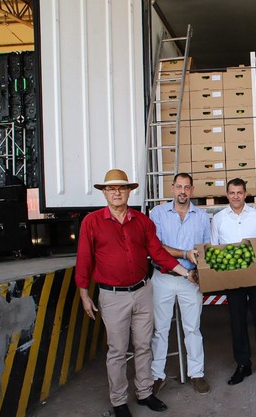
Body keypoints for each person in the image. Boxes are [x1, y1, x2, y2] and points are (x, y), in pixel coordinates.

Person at [75, 169, 195, 417]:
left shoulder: (142, 221)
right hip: (113, 296)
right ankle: (119, 401)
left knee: (143, 345)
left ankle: (144, 393)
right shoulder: (92, 222)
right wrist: (84, 294)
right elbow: (84, 259)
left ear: (130, 191)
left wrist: (186, 273)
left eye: (121, 188)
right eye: (111, 188)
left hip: (142, 291)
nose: (116, 192)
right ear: (104, 193)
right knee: (117, 351)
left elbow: (158, 253)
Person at [210, 178, 256, 385]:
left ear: (245, 194)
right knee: (237, 321)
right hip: (232, 277)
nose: (236, 196)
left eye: (239, 192)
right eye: (232, 193)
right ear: (227, 194)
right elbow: (213, 247)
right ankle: (243, 365)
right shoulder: (219, 219)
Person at [149, 173, 211, 396]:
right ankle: (157, 376)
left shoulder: (202, 217)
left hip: (191, 279)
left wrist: (201, 271)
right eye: (179, 187)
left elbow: (206, 248)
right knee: (160, 330)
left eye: (187, 187)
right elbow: (156, 247)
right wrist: (185, 253)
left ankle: (197, 374)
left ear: (192, 190)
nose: (182, 191)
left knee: (192, 328)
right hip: (163, 278)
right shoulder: (157, 213)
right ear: (172, 188)